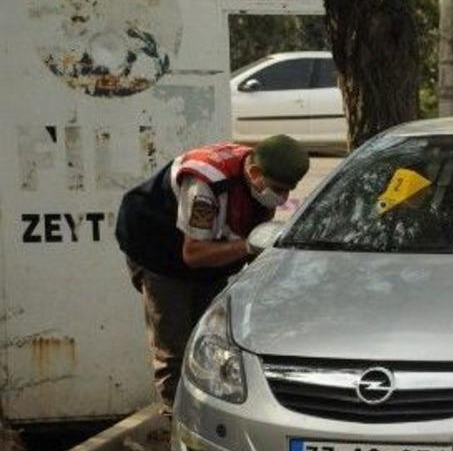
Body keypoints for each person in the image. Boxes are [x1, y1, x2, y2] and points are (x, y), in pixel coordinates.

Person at [116, 135, 310, 416]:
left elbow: (256, 228)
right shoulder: (205, 185)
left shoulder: (260, 172)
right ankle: (179, 425)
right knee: (174, 347)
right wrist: (245, 246)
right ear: (255, 173)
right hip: (157, 248)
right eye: (278, 190)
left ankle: (207, 415)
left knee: (210, 341)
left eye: (288, 191)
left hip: (208, 256)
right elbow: (193, 255)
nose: (282, 199)